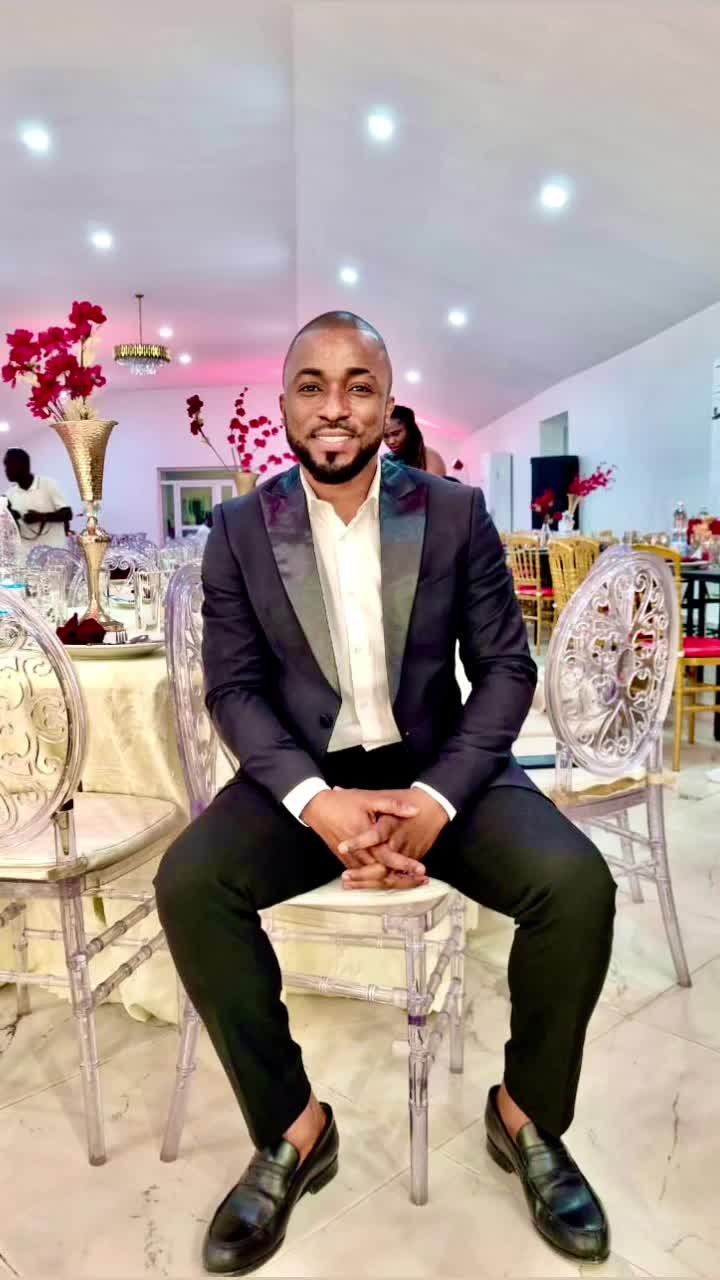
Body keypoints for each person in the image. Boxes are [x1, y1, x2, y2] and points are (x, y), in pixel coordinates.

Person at [155, 311, 615, 1274]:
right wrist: (315, 800)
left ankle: (525, 1116)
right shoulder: (238, 529)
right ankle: (294, 1128)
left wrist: (437, 800)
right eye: (312, 385)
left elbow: (505, 668)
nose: (336, 406)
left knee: (577, 886)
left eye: (358, 386)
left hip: (443, 771)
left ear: (388, 404)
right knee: (191, 883)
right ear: (285, 405)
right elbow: (233, 690)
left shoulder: (453, 512)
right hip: (307, 776)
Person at [4, 448, 73, 553]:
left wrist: (41, 517)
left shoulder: (48, 484)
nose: (6, 470)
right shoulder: (8, 495)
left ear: (23, 465)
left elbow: (67, 513)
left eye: (8, 465)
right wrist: (11, 520)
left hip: (55, 554)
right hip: (27, 557)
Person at [383, 403, 447, 475]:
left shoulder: (429, 457)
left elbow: (433, 482)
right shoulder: (386, 460)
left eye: (396, 434)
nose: (391, 441)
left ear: (410, 430)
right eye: (385, 436)